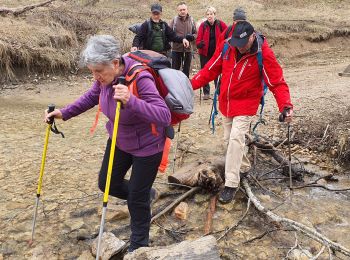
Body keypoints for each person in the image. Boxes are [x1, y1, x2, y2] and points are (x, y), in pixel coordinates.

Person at [45, 35, 171, 252]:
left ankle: (139, 245)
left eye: (98, 71)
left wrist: (132, 101)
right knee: (107, 184)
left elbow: (164, 115)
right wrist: (64, 113)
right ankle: (145, 194)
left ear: (115, 63)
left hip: (148, 147)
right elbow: (91, 97)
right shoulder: (104, 78)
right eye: (92, 71)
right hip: (119, 140)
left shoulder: (141, 78)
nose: (95, 76)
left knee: (136, 201)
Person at [191, 21, 294, 204]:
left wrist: (285, 106)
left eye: (243, 44)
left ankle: (231, 183)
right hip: (226, 103)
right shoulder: (227, 47)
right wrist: (189, 85)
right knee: (229, 140)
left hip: (246, 104)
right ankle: (244, 167)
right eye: (236, 45)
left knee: (236, 139)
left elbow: (276, 82)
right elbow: (210, 70)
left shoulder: (263, 54)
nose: (239, 49)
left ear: (252, 36)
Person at [196, 6, 227, 100]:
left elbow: (227, 34)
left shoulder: (220, 24)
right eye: (208, 14)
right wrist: (199, 44)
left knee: (217, 72)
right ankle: (206, 92)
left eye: (211, 14)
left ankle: (219, 92)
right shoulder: (203, 25)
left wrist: (225, 44)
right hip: (205, 53)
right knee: (205, 71)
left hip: (217, 54)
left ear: (215, 15)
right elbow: (198, 39)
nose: (209, 16)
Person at [169, 2, 197, 78]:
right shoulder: (174, 20)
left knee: (186, 71)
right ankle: (175, 88)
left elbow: (196, 33)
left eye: (184, 9)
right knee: (175, 71)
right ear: (178, 11)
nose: (182, 11)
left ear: (187, 10)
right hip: (176, 50)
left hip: (188, 50)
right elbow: (169, 34)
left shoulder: (191, 20)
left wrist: (192, 37)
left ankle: (185, 89)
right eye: (180, 10)